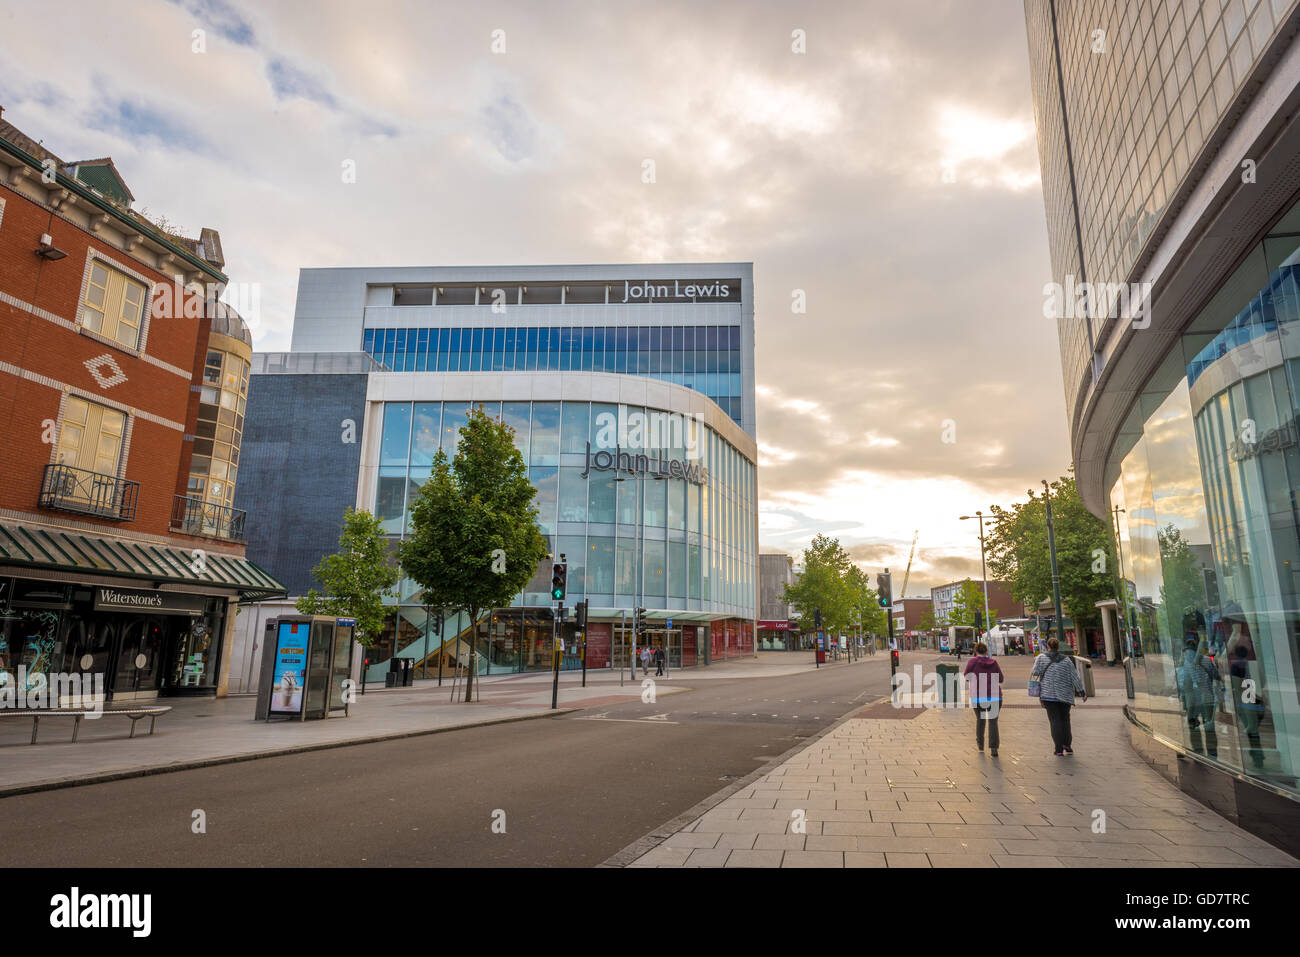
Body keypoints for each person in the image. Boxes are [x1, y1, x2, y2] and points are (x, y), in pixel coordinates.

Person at [1030, 636, 1086, 755]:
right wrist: (1082, 692)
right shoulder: (1066, 660)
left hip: (1048, 695)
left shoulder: (1041, 658)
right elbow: (1074, 676)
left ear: (1047, 646)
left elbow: (1035, 674)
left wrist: (1036, 692)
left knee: (1055, 721)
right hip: (1065, 695)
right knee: (1065, 719)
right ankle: (1068, 745)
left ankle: (1058, 749)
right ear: (1058, 647)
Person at [1176, 636, 1221, 758]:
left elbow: (1183, 684)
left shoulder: (1185, 663)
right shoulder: (1205, 660)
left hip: (1195, 701)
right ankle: (1211, 754)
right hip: (1206, 698)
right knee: (1208, 726)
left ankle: (1199, 751)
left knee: (1194, 726)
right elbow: (1217, 676)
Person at [963, 641, 1004, 756]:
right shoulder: (994, 662)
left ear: (975, 651)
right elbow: (1001, 679)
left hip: (978, 697)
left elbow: (966, 676)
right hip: (995, 696)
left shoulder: (972, 662)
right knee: (993, 722)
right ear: (986, 651)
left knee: (980, 720)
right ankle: (994, 748)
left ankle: (980, 744)